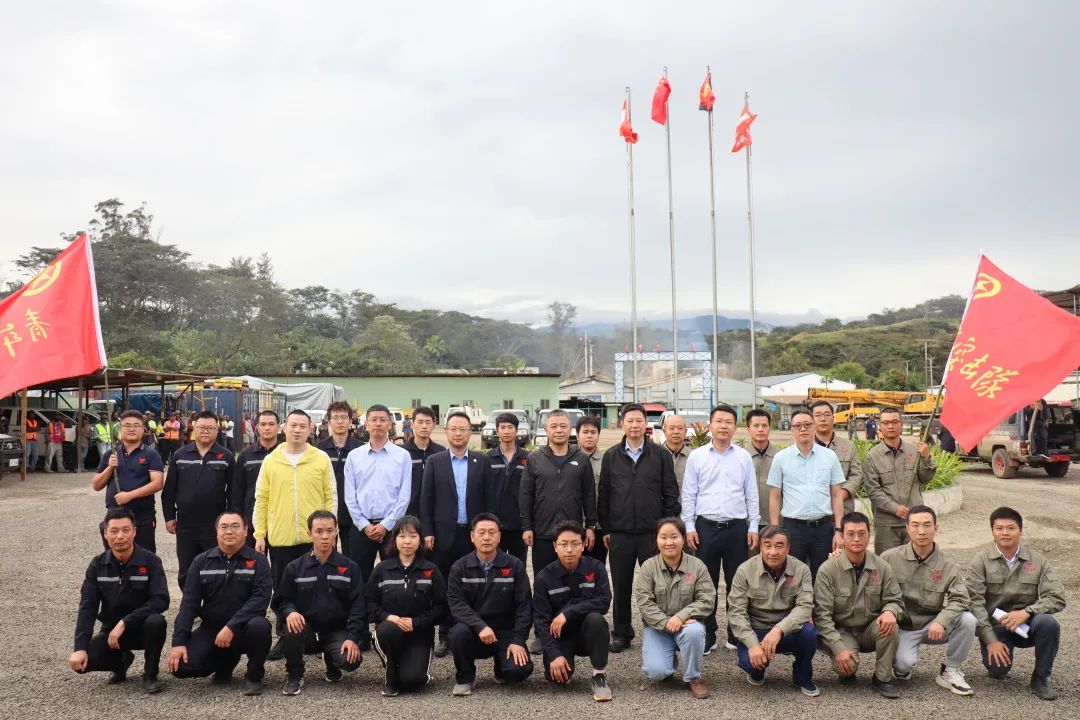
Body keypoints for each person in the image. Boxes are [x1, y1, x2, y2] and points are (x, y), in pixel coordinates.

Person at [253, 409, 336, 660]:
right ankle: (285, 635)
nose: (297, 430)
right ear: (284, 428)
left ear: (310, 429)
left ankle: (316, 636)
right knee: (283, 588)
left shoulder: (320, 459)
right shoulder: (272, 461)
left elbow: (330, 495)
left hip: (313, 539)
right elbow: (261, 498)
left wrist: (329, 531)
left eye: (302, 426)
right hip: (281, 537)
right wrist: (260, 533)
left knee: (316, 587)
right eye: (293, 425)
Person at [598, 403, 680, 653]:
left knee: (658, 586)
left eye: (638, 421)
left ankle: (658, 630)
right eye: (629, 421)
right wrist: (607, 528)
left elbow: (670, 494)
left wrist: (665, 530)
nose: (634, 425)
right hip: (620, 533)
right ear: (622, 424)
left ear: (646, 424)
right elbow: (604, 495)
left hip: (651, 534)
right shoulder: (611, 456)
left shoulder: (660, 455)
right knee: (621, 585)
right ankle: (622, 633)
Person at [966, 506, 1066, 701]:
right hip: (996, 627)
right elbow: (974, 602)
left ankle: (1041, 677)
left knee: (1048, 623)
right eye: (999, 528)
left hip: (1028, 624)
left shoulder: (1037, 560)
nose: (1005, 533)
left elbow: (1056, 597)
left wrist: (1027, 612)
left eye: (1011, 528)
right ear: (993, 532)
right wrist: (990, 640)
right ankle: (997, 654)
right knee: (998, 670)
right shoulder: (981, 560)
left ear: (1020, 531)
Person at [681, 403, 759, 653]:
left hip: (737, 528)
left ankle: (736, 634)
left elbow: (751, 493)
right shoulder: (697, 456)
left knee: (738, 583)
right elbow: (689, 494)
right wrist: (689, 526)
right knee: (706, 583)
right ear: (710, 425)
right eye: (719, 421)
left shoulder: (743, 457)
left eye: (728, 422)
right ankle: (707, 633)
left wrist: (753, 525)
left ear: (735, 427)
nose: (723, 426)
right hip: (705, 528)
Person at [168, 510, 272, 695]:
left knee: (260, 627)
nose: (229, 531)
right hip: (212, 628)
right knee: (180, 666)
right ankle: (224, 663)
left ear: (246, 530)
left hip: (245, 627)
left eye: (235, 526)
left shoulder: (258, 561)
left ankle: (254, 675)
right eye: (224, 527)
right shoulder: (201, 562)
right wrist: (178, 642)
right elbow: (189, 604)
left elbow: (260, 600)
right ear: (216, 532)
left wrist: (231, 627)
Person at [419, 411, 496, 657]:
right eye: (453, 429)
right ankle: (445, 635)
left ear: (470, 432)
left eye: (463, 429)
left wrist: (488, 530)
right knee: (444, 585)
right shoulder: (435, 461)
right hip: (443, 535)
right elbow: (426, 499)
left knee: (473, 583)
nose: (458, 433)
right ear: (446, 432)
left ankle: (472, 630)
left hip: (473, 534)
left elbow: (489, 499)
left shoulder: (481, 461)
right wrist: (428, 531)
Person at [70, 507, 169, 694]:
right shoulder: (98, 565)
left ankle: (150, 674)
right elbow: (87, 607)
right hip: (111, 634)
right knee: (83, 662)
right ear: (105, 534)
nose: (120, 536)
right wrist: (79, 647)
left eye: (125, 530)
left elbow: (161, 600)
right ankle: (120, 663)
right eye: (114, 531)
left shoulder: (151, 561)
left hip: (143, 628)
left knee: (157, 621)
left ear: (134, 532)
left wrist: (125, 622)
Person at [880, 505, 976, 696]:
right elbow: (871, 582)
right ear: (907, 528)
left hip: (934, 624)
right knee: (902, 666)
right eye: (915, 525)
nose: (921, 531)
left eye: (927, 525)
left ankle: (951, 670)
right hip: (904, 626)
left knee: (968, 620)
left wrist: (942, 621)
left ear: (936, 528)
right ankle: (902, 665)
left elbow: (960, 599)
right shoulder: (889, 558)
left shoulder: (947, 565)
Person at [343, 403, 413, 649]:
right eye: (373, 419)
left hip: (391, 528)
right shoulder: (355, 456)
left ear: (389, 424)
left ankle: (390, 630)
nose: (378, 424)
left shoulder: (402, 456)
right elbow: (349, 496)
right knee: (358, 579)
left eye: (383, 419)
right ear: (366, 424)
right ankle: (359, 631)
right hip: (361, 528)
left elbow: (404, 497)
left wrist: (385, 525)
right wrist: (364, 525)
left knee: (393, 579)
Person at [814, 511, 904, 699]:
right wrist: (838, 649)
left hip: (871, 628)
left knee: (891, 626)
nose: (856, 539)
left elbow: (895, 599)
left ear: (869, 536)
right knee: (846, 668)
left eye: (861, 534)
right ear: (842, 536)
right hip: (843, 631)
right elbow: (821, 616)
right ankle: (847, 666)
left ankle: (882, 678)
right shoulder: (828, 570)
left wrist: (890, 611)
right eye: (850, 534)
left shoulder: (882, 566)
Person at [274, 510, 365, 696]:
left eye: (330, 531)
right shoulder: (295, 568)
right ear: (310, 534)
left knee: (351, 661)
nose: (325, 536)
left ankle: (332, 661)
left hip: (336, 631)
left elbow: (358, 606)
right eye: (319, 531)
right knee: (291, 627)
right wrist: (290, 612)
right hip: (306, 631)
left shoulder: (349, 567)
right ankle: (295, 674)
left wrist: (352, 637)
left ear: (336, 532)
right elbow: (282, 600)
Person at [446, 513, 534, 696]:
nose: (486, 537)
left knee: (519, 671)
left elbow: (524, 606)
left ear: (499, 537)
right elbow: (456, 604)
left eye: (492, 533)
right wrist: (480, 626)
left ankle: (501, 668)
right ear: (472, 536)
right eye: (481, 533)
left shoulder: (514, 565)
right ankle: (466, 676)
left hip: (505, 632)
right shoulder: (460, 567)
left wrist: (518, 640)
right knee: (457, 633)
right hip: (474, 631)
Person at [727, 525, 818, 696]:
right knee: (750, 664)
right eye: (767, 545)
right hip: (757, 631)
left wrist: (778, 630)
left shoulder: (801, 569)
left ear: (788, 548)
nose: (773, 552)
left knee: (809, 634)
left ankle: (802, 677)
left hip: (786, 631)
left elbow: (805, 607)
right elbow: (736, 613)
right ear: (760, 547)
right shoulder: (745, 570)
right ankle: (756, 671)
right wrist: (753, 644)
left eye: (779, 546)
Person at [366, 514, 447, 696]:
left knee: (413, 680)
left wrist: (415, 622)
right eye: (402, 536)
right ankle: (391, 678)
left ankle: (407, 670)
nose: (407, 541)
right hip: (389, 631)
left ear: (420, 540)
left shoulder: (431, 570)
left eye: (412, 536)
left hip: (420, 634)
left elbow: (442, 608)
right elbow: (369, 603)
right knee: (388, 629)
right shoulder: (382, 569)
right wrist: (388, 617)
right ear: (394, 540)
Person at [532, 520, 613, 701]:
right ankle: (560, 660)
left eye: (575, 544)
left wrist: (568, 613)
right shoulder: (544, 577)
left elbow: (604, 601)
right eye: (564, 544)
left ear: (583, 545)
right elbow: (540, 620)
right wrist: (554, 655)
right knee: (559, 680)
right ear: (555, 547)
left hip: (587, 633)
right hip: (560, 636)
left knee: (596, 619)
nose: (569, 550)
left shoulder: (595, 568)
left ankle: (599, 675)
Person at [635, 517, 714, 699]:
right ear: (656, 539)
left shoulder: (697, 566)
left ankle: (693, 678)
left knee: (695, 632)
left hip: (687, 624)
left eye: (674, 537)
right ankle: (668, 661)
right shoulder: (649, 567)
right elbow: (645, 603)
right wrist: (666, 622)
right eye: (663, 537)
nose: (669, 542)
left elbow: (707, 599)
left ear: (683, 539)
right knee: (656, 672)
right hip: (658, 627)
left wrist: (681, 617)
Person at [766, 407, 846, 579]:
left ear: (814, 426)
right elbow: (774, 496)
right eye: (798, 426)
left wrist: (839, 530)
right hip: (793, 529)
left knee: (823, 576)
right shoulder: (781, 458)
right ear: (792, 429)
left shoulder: (829, 456)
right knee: (792, 577)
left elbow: (836, 495)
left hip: (823, 529)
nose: (803, 429)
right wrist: (775, 530)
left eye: (807, 425)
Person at [162, 410, 235, 591]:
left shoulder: (226, 456)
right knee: (186, 568)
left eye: (210, 428)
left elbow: (233, 491)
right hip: (186, 524)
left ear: (217, 430)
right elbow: (169, 490)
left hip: (214, 524)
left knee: (214, 567)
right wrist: (169, 517)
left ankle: (212, 603)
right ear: (194, 428)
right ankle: (190, 602)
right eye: (202, 427)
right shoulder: (180, 455)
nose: (205, 431)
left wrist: (230, 520)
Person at [520, 409, 597, 579]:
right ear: (546, 430)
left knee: (573, 581)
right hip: (543, 533)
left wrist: (590, 526)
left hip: (573, 535)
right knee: (543, 580)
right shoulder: (534, 459)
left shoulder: (581, 459)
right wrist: (527, 527)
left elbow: (589, 495)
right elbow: (526, 495)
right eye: (554, 426)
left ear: (570, 429)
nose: (559, 430)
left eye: (563, 426)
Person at [863, 408, 936, 553]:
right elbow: (873, 491)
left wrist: (926, 458)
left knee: (916, 559)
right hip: (887, 524)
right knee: (887, 562)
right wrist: (894, 508)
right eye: (886, 423)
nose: (890, 426)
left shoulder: (914, 451)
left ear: (901, 424)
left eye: (895, 422)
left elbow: (925, 479)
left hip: (914, 521)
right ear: (880, 426)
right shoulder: (873, 456)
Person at [92, 410, 165, 553]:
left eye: (136, 425)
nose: (132, 429)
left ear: (143, 429)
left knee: (144, 557)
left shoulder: (151, 454)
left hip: (142, 517)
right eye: (127, 425)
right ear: (120, 429)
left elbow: (157, 483)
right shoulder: (111, 454)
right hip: (115, 517)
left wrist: (130, 495)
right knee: (114, 557)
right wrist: (109, 468)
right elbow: (96, 485)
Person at [316, 402, 363, 556]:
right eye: (335, 417)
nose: (340, 421)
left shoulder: (361, 449)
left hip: (353, 514)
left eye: (344, 417)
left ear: (350, 421)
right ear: (329, 421)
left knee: (352, 557)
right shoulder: (319, 449)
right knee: (326, 556)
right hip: (326, 512)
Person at [233, 410, 280, 547]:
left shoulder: (285, 454)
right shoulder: (246, 456)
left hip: (280, 519)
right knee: (253, 559)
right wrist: (239, 518)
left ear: (278, 427)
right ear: (257, 427)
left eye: (271, 424)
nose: (267, 428)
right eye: (263, 424)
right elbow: (238, 489)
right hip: (252, 519)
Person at [487, 412, 529, 564]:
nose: (506, 431)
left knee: (518, 566)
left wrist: (528, 524)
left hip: (519, 526)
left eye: (510, 427)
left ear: (516, 430)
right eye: (503, 427)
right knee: (495, 566)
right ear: (497, 431)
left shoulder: (528, 458)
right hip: (495, 525)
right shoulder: (488, 458)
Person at [809, 400, 864, 515]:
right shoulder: (805, 447)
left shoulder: (848, 446)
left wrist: (839, 497)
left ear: (833, 418)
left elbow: (856, 475)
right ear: (811, 420)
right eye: (817, 415)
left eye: (827, 414)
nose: (822, 419)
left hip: (844, 511)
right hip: (814, 513)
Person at [575, 415, 607, 565]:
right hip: (573, 524)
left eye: (593, 432)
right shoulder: (569, 459)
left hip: (599, 526)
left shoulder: (607, 460)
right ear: (577, 435)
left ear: (598, 435)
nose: (589, 436)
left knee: (596, 568)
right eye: (585, 432)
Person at [403, 406, 445, 518]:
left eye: (428, 422)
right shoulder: (402, 452)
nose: (424, 426)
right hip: (408, 515)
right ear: (412, 424)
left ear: (434, 425)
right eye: (420, 422)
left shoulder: (441, 452)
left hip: (435, 513)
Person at [746, 408, 778, 546]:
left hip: (776, 522)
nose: (760, 429)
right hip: (747, 523)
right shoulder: (741, 456)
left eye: (764, 425)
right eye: (756, 425)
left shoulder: (780, 456)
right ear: (748, 429)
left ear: (769, 428)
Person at [660, 414, 690, 489]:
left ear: (685, 431)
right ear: (664, 431)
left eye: (680, 428)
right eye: (671, 428)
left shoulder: (694, 456)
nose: (676, 432)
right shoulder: (655, 455)